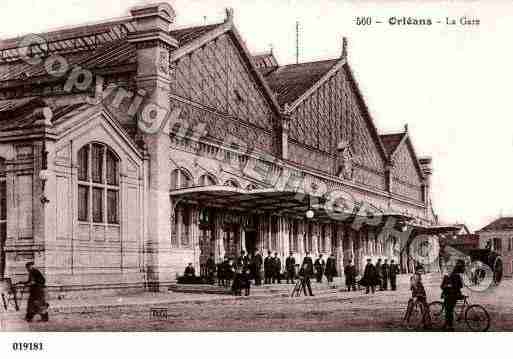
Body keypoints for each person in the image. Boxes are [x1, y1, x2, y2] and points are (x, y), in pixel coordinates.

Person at [441, 260, 465, 331]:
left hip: (449, 295)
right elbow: (461, 286)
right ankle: (446, 324)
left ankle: (450, 326)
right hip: (455, 295)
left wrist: (448, 286)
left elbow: (442, 286)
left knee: (448, 311)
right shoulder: (457, 275)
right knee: (449, 310)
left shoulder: (448, 275)